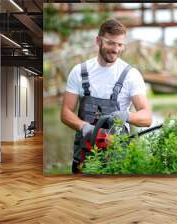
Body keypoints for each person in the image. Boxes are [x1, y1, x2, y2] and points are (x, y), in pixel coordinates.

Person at [61, 19, 152, 174]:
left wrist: (125, 115)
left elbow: (147, 117)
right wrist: (86, 128)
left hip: (117, 160)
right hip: (84, 158)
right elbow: (65, 113)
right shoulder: (79, 71)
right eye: (111, 43)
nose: (116, 49)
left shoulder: (131, 75)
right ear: (99, 41)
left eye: (120, 44)